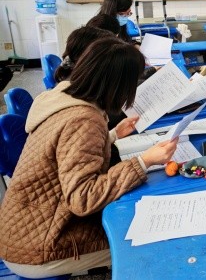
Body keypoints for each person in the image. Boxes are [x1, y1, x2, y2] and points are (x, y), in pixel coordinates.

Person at [0, 37, 178, 278]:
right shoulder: (84, 120)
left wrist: (112, 135)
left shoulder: (63, 97)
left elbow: (66, 151)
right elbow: (82, 198)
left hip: (25, 228)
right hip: (40, 245)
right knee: (156, 238)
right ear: (118, 85)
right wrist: (143, 161)